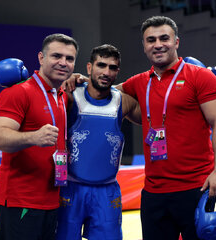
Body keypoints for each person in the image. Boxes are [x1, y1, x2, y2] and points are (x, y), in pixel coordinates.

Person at [115, 16, 216, 240]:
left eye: (164, 38)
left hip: (196, 189)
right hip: (154, 193)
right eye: (151, 40)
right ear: (144, 45)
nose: (158, 44)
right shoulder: (139, 82)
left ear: (176, 42)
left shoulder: (201, 77)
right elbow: (103, 93)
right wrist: (80, 80)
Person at [0, 33, 78, 240]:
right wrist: (33, 137)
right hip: (20, 201)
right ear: (41, 57)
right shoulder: (18, 93)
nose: (63, 63)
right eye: (56, 56)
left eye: (69, 58)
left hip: (52, 200)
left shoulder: (63, 95)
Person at [57, 44, 140, 240]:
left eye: (112, 67)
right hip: (70, 188)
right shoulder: (69, 96)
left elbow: (159, 117)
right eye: (101, 65)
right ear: (89, 68)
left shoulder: (124, 102)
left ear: (117, 71)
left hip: (107, 192)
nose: (106, 72)